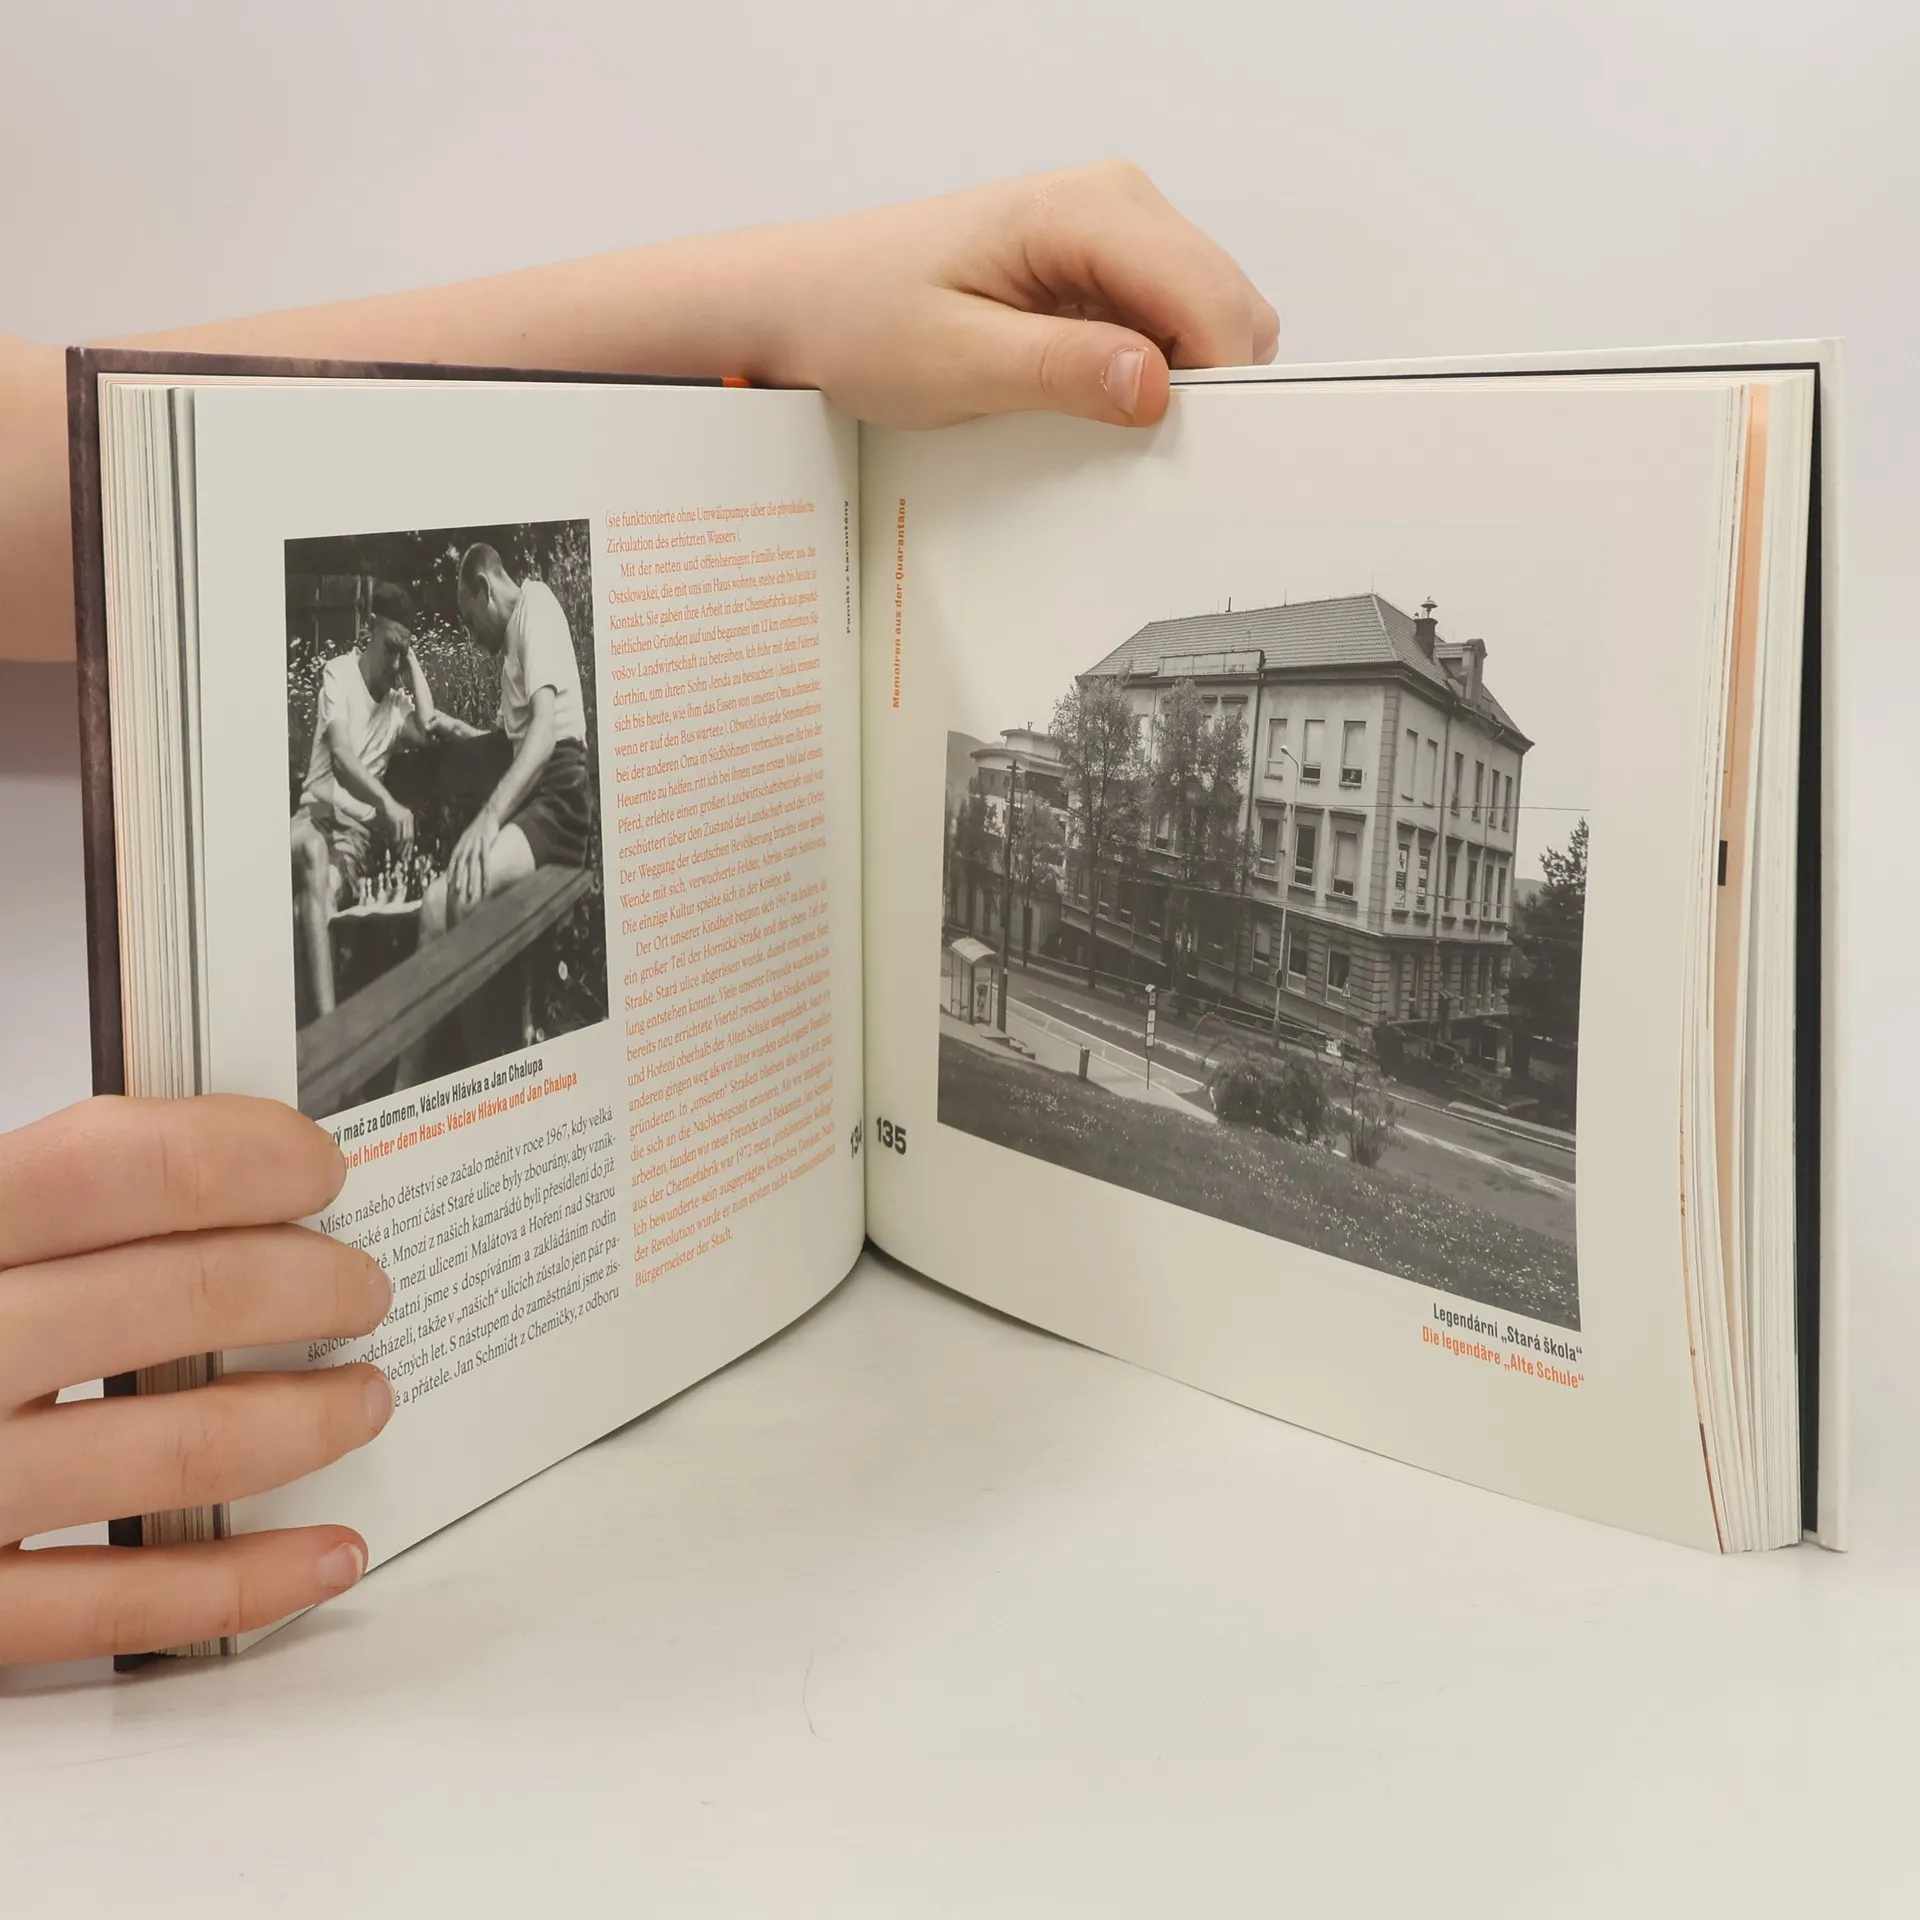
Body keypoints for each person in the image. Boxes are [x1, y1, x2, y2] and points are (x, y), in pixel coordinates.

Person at [0, 162, 1277, 1665]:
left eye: (459, 612)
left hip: (527, 818)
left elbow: (79, 459)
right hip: (421, 855)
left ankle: (453, 1014)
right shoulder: (419, 654)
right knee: (440, 903)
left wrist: (771, 305)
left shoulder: (519, 618)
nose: (450, 637)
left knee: (472, 896)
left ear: (484, 581)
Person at [291, 580, 476, 1018]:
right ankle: (330, 1030)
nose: (394, 663)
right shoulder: (338, 674)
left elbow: (428, 724)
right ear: (370, 628)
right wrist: (388, 804)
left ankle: (316, 1030)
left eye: (402, 654)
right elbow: (341, 758)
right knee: (312, 854)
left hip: (350, 840)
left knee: (310, 902)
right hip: (310, 819)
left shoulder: (396, 710)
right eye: (390, 648)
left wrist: (411, 659)